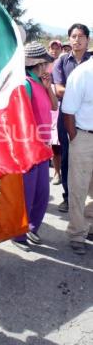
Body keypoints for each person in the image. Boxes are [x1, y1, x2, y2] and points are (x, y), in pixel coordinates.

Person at [12, 42, 57, 251]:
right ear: (38, 64)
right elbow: (23, 117)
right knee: (28, 193)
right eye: (46, 62)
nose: (48, 66)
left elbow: (55, 106)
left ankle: (31, 228)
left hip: (43, 147)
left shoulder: (42, 83)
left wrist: (48, 89)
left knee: (42, 193)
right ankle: (19, 234)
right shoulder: (26, 84)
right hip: (31, 148)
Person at [53, 23, 90, 212]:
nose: (77, 40)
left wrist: (75, 93)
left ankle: (87, 202)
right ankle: (68, 197)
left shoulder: (91, 61)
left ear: (88, 40)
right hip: (67, 117)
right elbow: (58, 90)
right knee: (68, 156)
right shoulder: (61, 61)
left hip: (88, 119)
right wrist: (82, 94)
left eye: (81, 36)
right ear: (69, 39)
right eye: (73, 36)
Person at [62, 57, 93, 255]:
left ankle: (90, 222)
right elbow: (67, 112)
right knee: (78, 187)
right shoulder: (83, 73)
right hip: (83, 137)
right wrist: (75, 138)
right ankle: (77, 234)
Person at [48, 40, 62, 185]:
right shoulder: (44, 65)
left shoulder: (63, 63)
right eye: (52, 48)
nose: (54, 50)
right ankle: (57, 173)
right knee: (54, 143)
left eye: (57, 48)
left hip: (63, 106)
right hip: (50, 109)